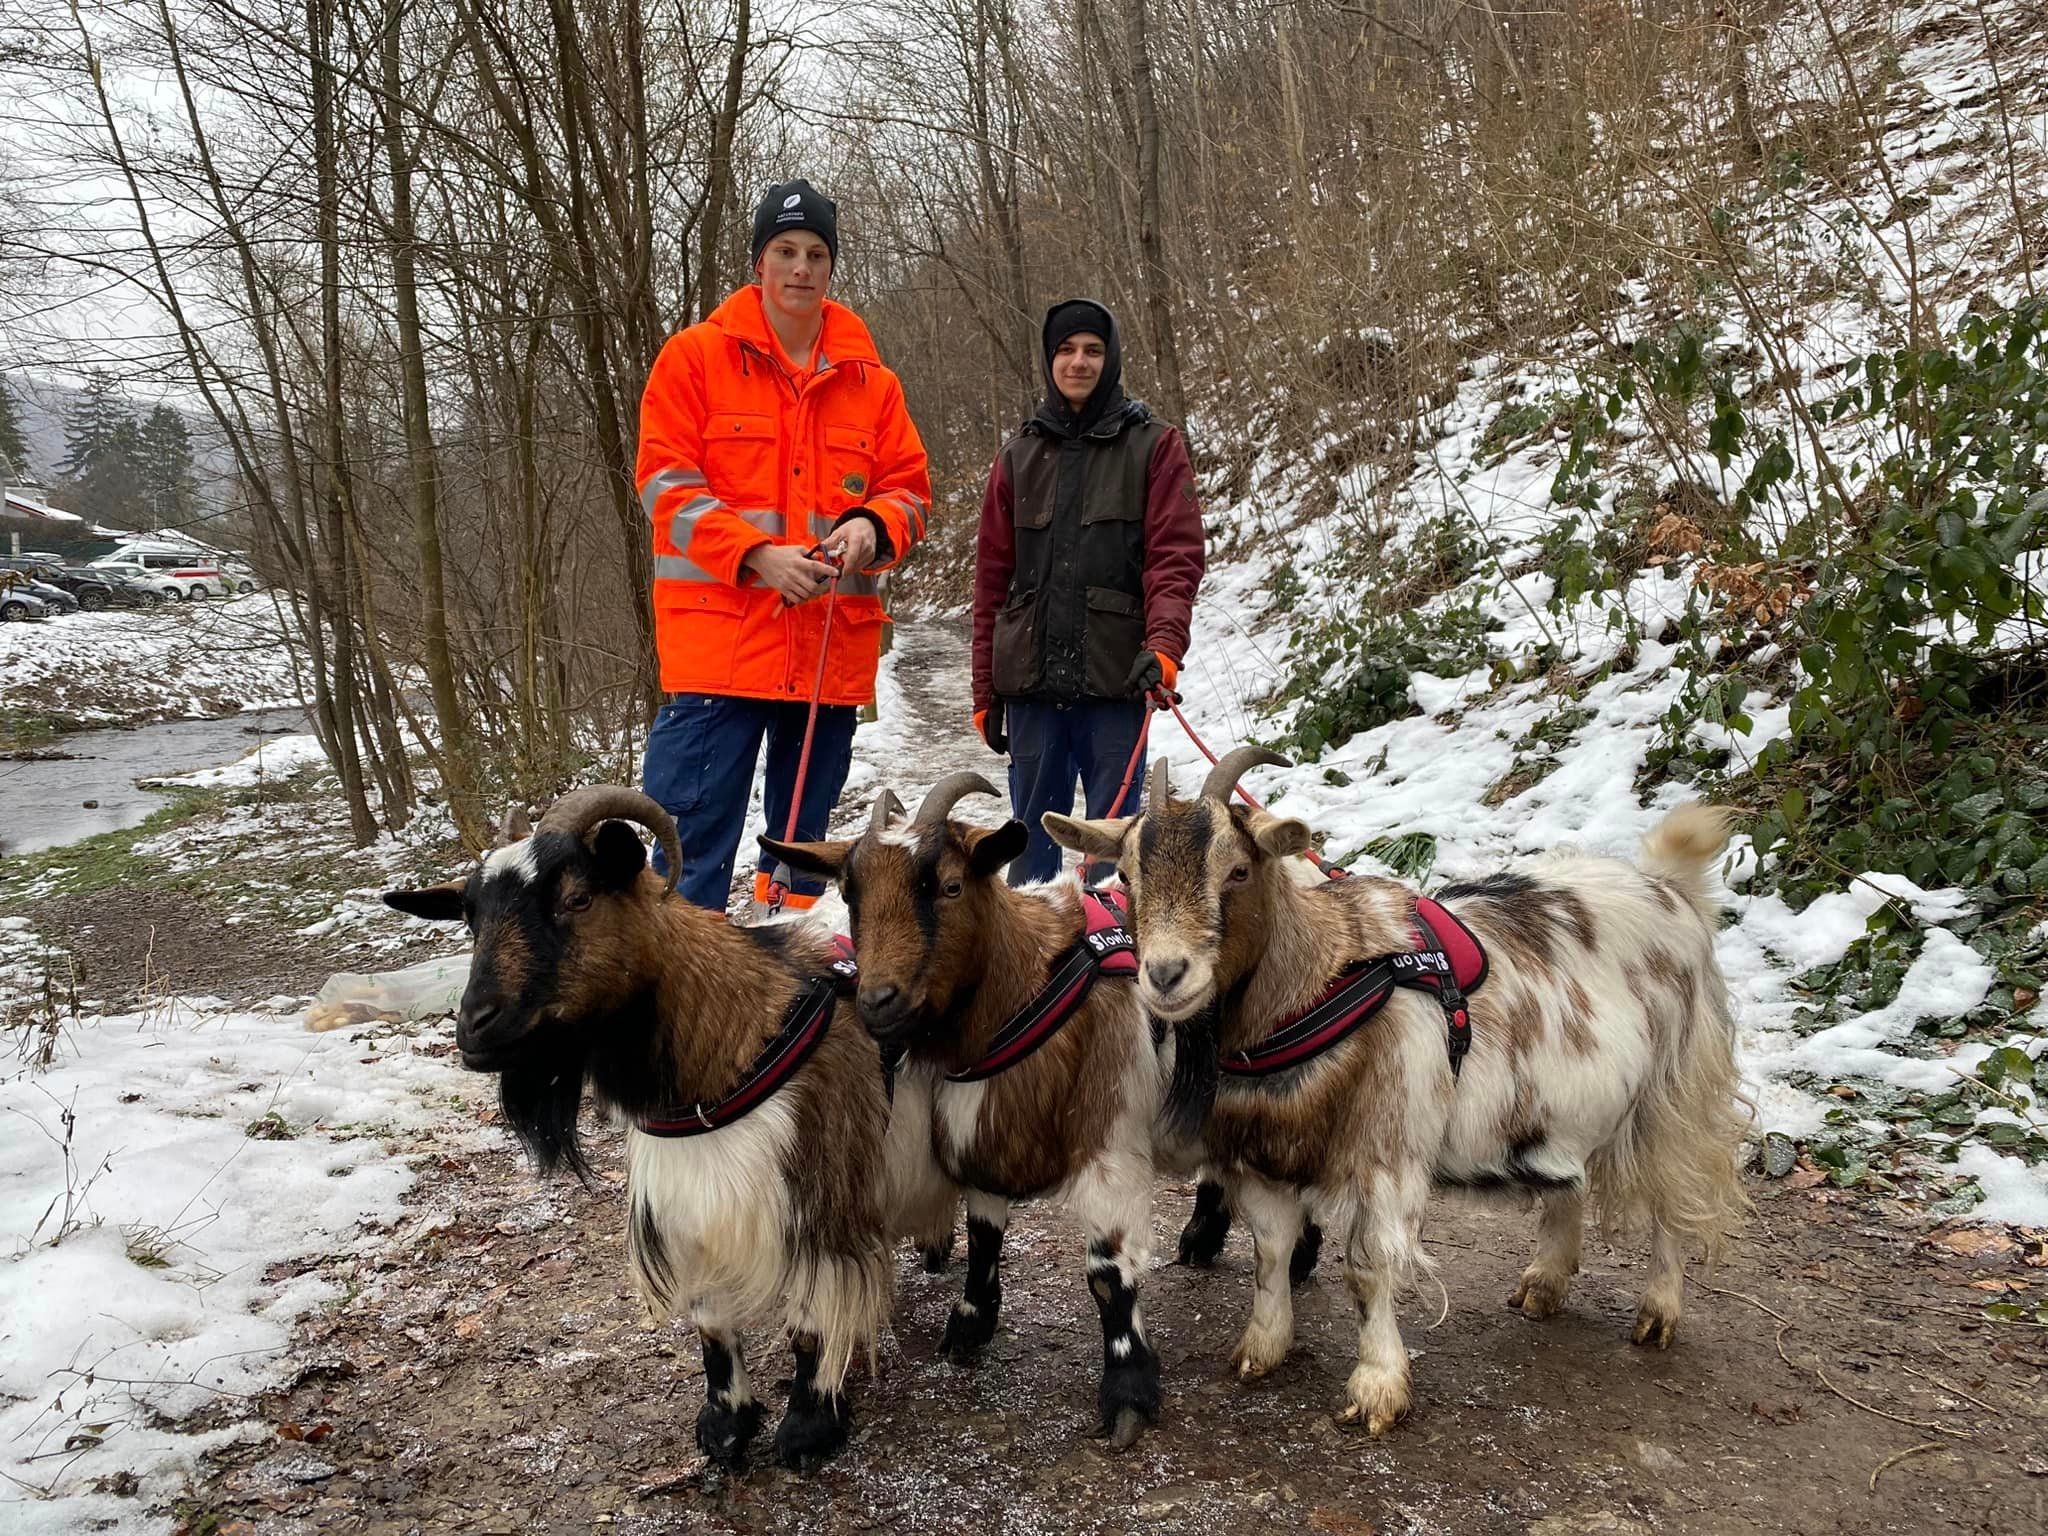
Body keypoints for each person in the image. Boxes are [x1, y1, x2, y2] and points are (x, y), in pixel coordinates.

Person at [636, 179, 932, 912]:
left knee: (804, 857)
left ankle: (795, 1002)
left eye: (816, 254)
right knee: (688, 848)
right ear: (759, 263)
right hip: (720, 654)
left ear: (831, 268)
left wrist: (873, 526)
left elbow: (911, 494)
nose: (801, 268)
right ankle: (678, 1009)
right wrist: (756, 555)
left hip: (828, 652)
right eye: (785, 251)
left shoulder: (874, 383)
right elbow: (665, 488)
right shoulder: (693, 360)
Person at [970, 299, 1206, 886]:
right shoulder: (1017, 457)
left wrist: (1165, 648)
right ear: (1049, 359)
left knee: (1115, 849)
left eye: (1093, 350)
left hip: (1117, 681)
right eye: (1066, 350)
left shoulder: (1154, 447)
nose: (1079, 362)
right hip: (1029, 688)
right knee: (1029, 852)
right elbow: (992, 582)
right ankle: (1035, 976)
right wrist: (984, 691)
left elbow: (1175, 558)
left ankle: (1114, 964)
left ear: (1112, 357)